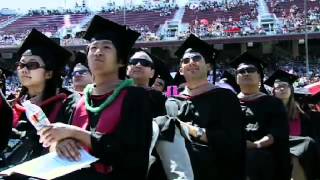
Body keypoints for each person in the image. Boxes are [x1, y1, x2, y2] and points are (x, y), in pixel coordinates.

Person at [39, 15, 152, 179]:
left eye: (106, 47)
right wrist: (58, 144)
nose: (97, 52)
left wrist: (76, 133)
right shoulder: (74, 101)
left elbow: (131, 156)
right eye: (93, 48)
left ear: (120, 61)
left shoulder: (135, 97)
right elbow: (51, 142)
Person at [172, 34, 245, 180]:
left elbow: (234, 141)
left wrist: (192, 130)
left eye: (196, 58)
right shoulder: (172, 102)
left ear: (209, 66)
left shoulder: (225, 97)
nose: (191, 62)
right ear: (181, 70)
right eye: (186, 60)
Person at [3, 29, 73, 170]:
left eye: (32, 65)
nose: (23, 69)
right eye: (21, 64)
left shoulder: (65, 106)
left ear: (48, 73)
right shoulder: (10, 105)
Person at [230, 53, 290, 180]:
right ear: (236, 79)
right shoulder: (228, 103)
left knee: (254, 157)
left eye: (251, 70)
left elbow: (277, 133)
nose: (246, 73)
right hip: (233, 152)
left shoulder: (273, 103)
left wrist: (256, 145)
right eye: (241, 71)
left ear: (260, 77)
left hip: (265, 155)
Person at [265, 69, 320, 180]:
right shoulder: (267, 111)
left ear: (291, 89)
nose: (281, 88)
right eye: (278, 87)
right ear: (273, 91)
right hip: (276, 149)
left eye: (285, 86)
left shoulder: (303, 114)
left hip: (300, 152)